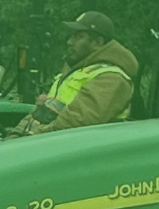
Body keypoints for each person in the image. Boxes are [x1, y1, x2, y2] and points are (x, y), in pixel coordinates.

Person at [8, 11, 138, 136]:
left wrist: (30, 140)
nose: (69, 42)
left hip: (70, 151)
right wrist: (14, 136)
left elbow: (74, 123)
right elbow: (39, 113)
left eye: (79, 37)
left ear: (98, 42)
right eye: (72, 35)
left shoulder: (111, 79)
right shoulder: (73, 73)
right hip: (45, 144)